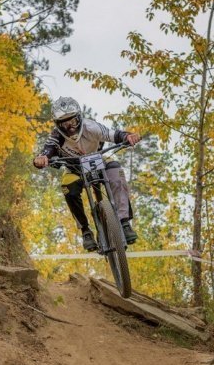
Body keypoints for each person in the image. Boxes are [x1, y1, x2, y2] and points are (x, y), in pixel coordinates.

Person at [33, 97, 140, 251]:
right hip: (74, 169)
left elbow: (114, 134)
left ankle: (124, 223)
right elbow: (47, 150)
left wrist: (127, 136)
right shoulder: (56, 136)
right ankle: (85, 231)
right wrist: (41, 158)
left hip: (99, 161)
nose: (70, 127)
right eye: (65, 124)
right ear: (57, 124)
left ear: (79, 117)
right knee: (68, 188)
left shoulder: (91, 126)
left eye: (73, 121)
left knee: (116, 172)